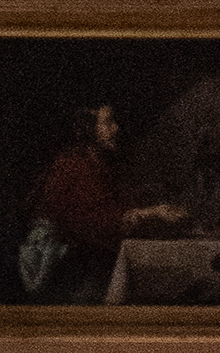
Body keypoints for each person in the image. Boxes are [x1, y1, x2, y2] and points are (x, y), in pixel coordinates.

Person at [16, 102, 183, 303]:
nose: (116, 128)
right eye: (108, 122)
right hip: (68, 266)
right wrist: (150, 213)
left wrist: (152, 208)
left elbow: (121, 206)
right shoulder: (73, 165)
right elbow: (98, 221)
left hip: (92, 257)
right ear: (89, 129)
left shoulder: (102, 161)